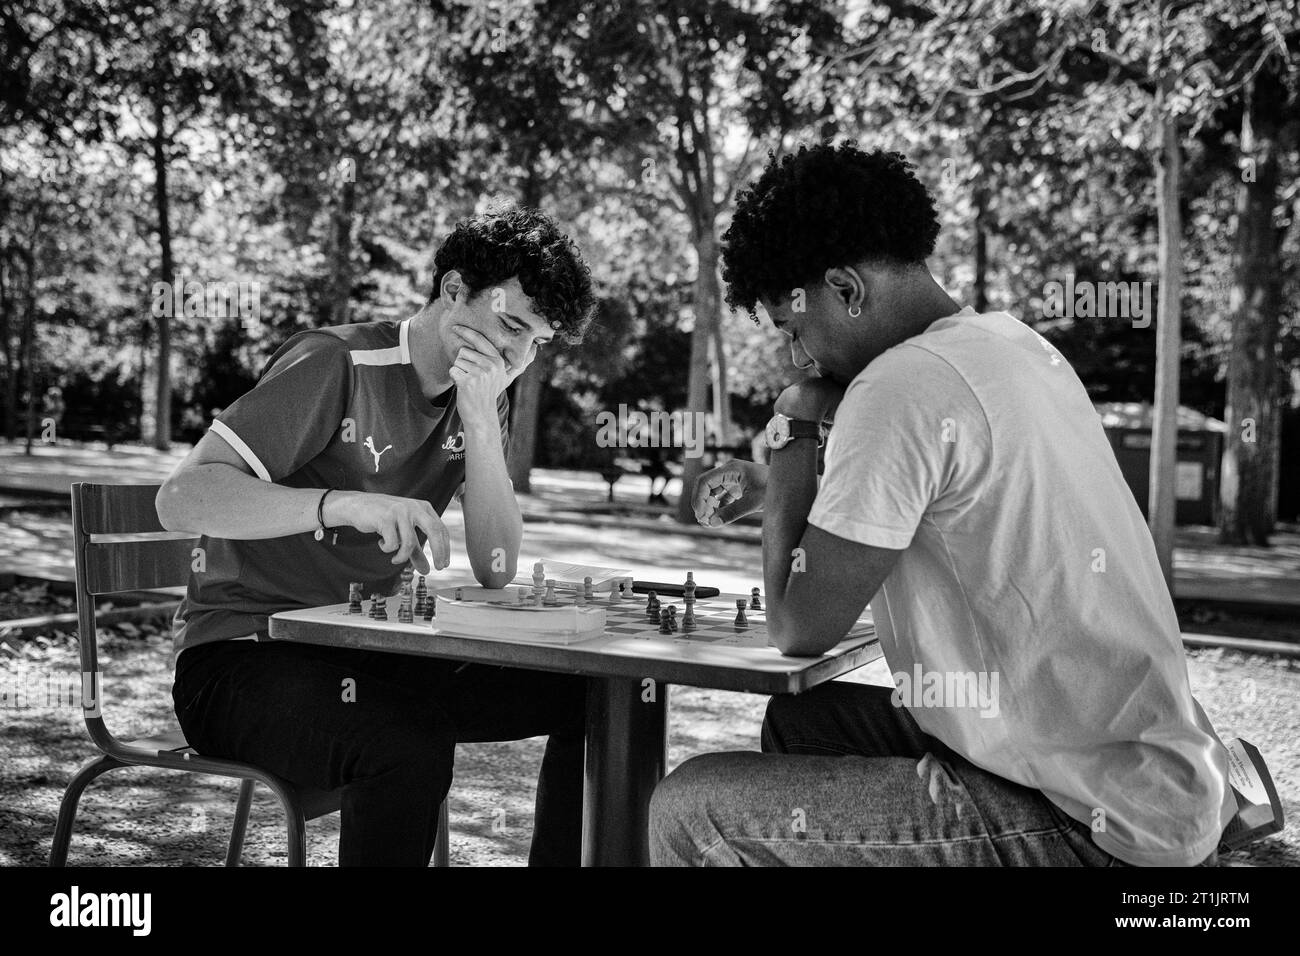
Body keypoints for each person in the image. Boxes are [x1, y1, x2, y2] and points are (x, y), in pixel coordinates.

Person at [650, 144, 1234, 867]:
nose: (799, 359)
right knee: (809, 721)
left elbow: (796, 626)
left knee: (690, 807)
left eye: (792, 329)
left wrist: (795, 425)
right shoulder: (1010, 344)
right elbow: (946, 508)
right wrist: (778, 492)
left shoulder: (899, 387)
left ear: (845, 288)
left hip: (1099, 830)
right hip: (1148, 777)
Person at [157, 206, 596, 866]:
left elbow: (498, 564)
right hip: (241, 656)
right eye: (510, 325)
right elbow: (181, 498)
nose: (516, 355)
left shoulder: (481, 396)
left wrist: (481, 422)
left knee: (590, 697)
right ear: (453, 292)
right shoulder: (336, 362)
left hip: (366, 650)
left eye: (535, 342)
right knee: (406, 741)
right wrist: (340, 504)